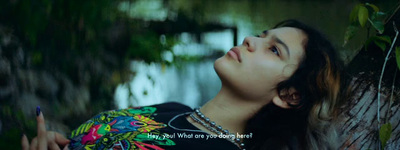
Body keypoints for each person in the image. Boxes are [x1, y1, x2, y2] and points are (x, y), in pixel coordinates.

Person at [21, 19, 346, 150]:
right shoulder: (175, 109)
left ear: (289, 94)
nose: (249, 40)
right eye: (261, 36)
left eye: (274, 50)